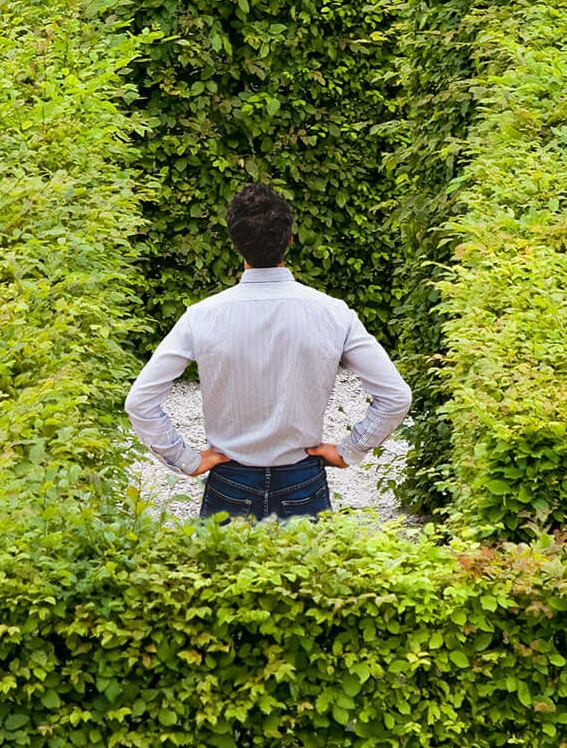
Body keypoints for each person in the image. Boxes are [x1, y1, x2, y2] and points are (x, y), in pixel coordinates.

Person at [126, 182, 411, 522]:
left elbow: (140, 402)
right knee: (310, 575)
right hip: (303, 479)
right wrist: (350, 450)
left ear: (235, 244)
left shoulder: (201, 316)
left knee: (223, 576)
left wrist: (186, 459)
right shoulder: (333, 313)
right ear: (290, 239)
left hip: (229, 480)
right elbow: (395, 396)